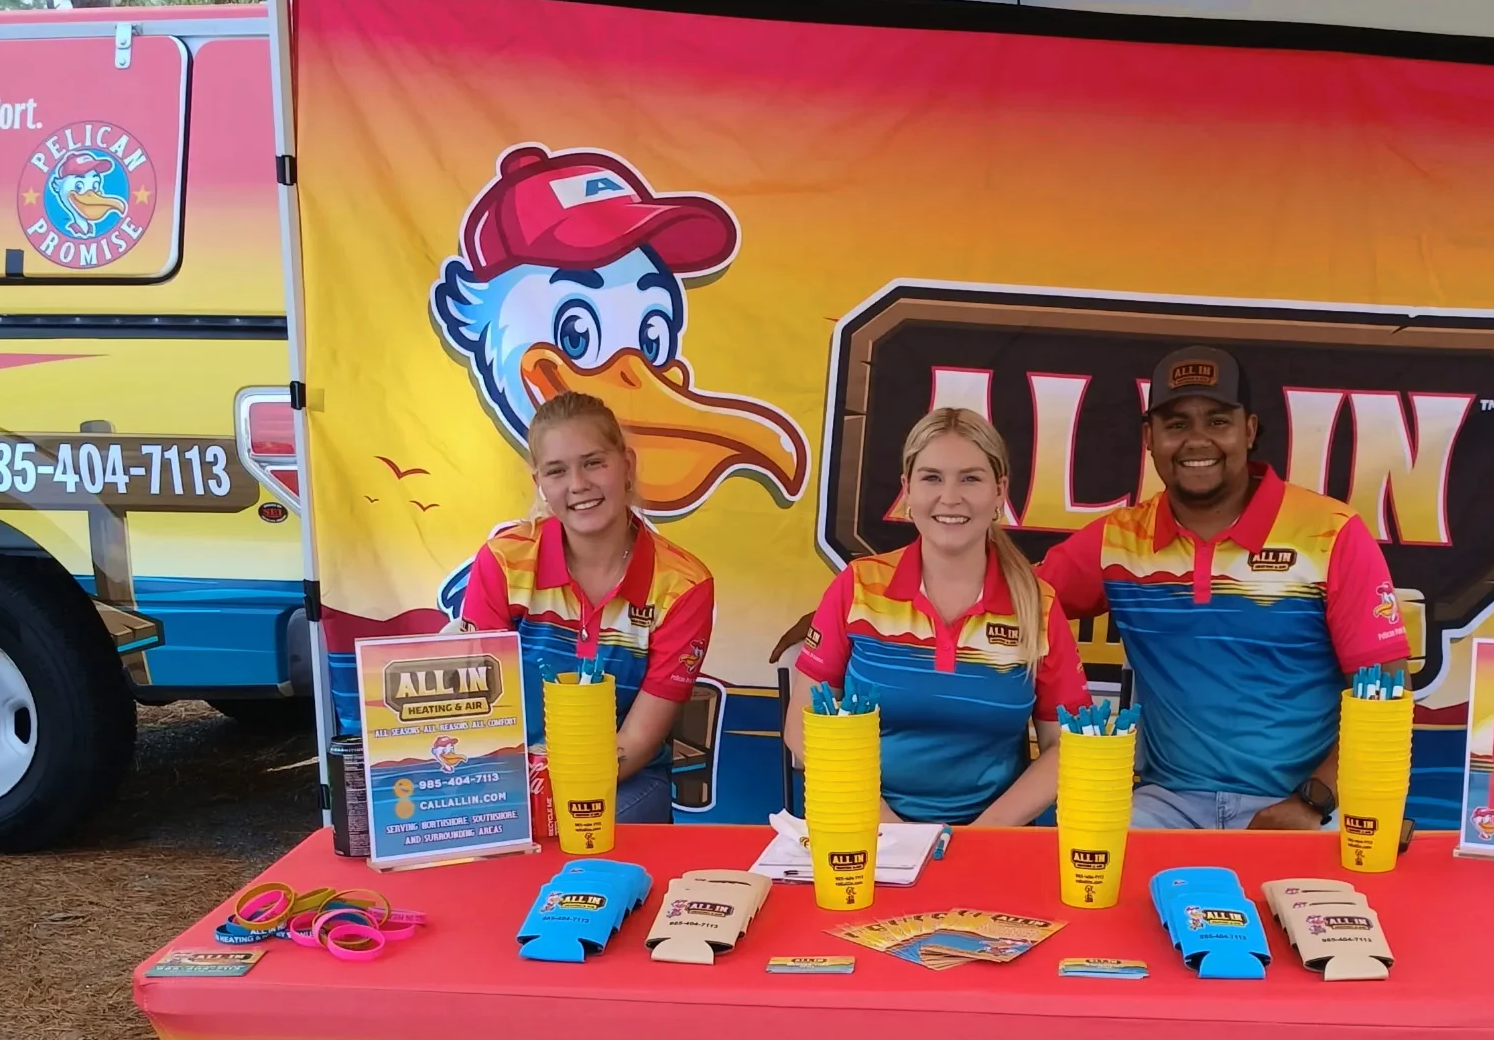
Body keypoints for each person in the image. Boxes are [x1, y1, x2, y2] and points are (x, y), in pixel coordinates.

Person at [1040, 346, 1411, 830]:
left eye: (1217, 422)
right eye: (1177, 424)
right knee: (1090, 859)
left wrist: (1312, 802)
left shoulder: (1331, 532)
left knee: (1350, 873)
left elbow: (1388, 693)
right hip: (1164, 803)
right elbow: (1011, 602)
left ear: (1249, 430)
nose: (1197, 440)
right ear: (1150, 438)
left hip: (1308, 805)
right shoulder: (1119, 541)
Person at [785, 407, 1088, 826]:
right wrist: (890, 830)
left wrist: (982, 837)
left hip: (992, 837)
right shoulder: (859, 586)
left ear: (999, 491)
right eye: (932, 478)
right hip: (864, 828)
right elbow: (802, 728)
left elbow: (1068, 745)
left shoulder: (1038, 604)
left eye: (970, 478)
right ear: (907, 490)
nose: (950, 497)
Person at [459, 388, 711, 823]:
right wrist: (510, 801)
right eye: (557, 471)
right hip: (508, 781)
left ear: (627, 465)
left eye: (594, 463)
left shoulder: (684, 585)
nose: (578, 484)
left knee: (595, 826)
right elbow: (478, 712)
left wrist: (549, 805)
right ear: (539, 482)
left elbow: (637, 741)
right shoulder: (502, 561)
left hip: (623, 781)